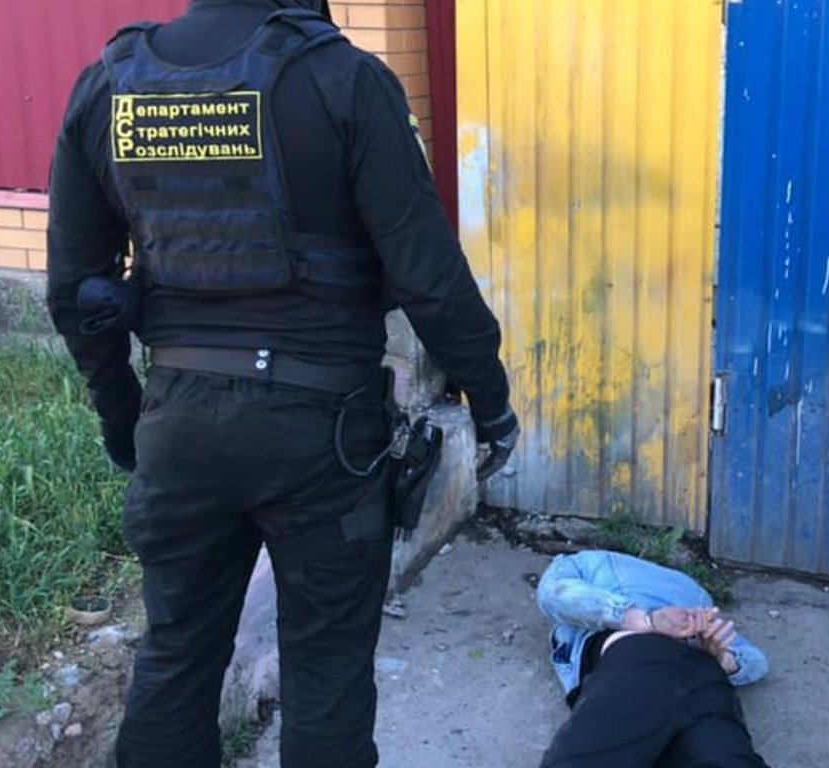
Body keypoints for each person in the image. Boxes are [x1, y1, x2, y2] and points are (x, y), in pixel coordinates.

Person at [45, 2, 518, 766]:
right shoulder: (344, 79)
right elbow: (428, 276)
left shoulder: (107, 88)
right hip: (322, 436)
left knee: (175, 659)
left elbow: (76, 292)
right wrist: (489, 401)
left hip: (179, 423)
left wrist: (123, 417)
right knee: (326, 671)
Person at [536, 550, 771, 768]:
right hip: (705, 675)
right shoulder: (697, 595)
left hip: (642, 659)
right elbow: (755, 661)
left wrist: (644, 620)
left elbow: (553, 592)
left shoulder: (593, 562)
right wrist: (723, 660)